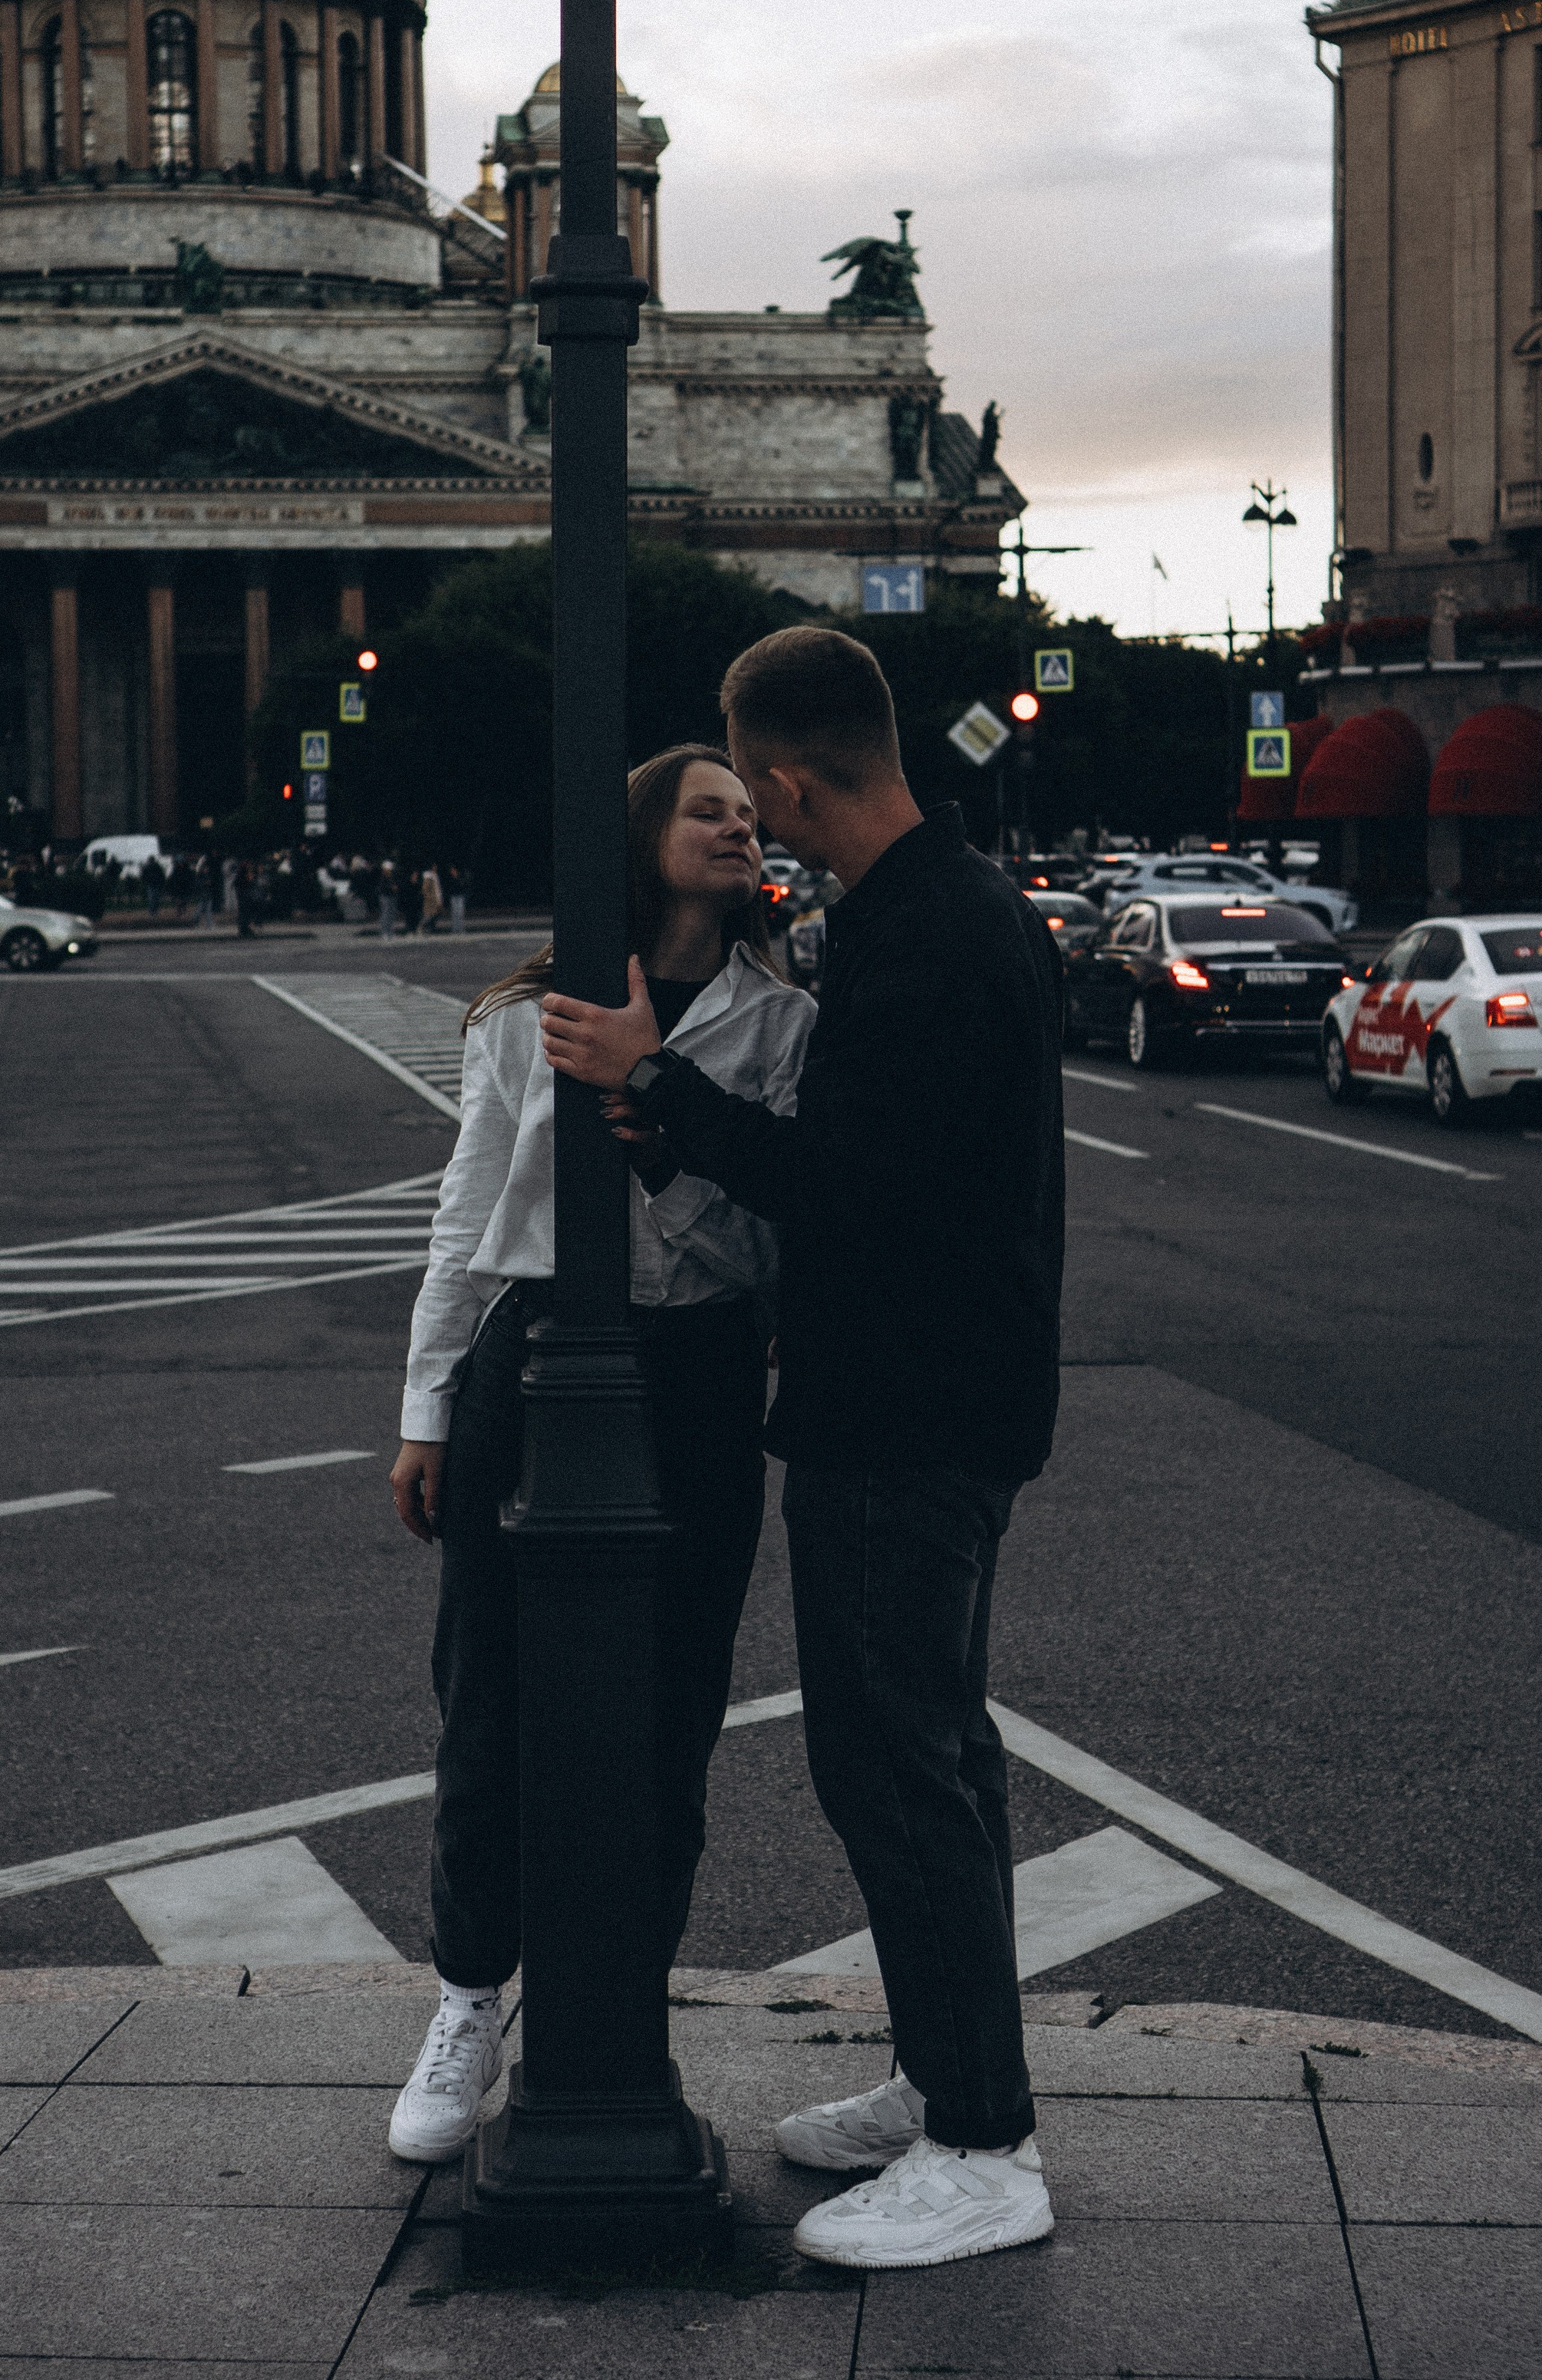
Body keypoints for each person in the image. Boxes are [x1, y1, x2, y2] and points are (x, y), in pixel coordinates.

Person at [542, 628, 1065, 2274]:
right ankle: (943, 2080)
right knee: (925, 1757)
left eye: (747, 785)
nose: (751, 817)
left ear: (779, 777)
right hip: (934, 1397)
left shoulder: (916, 942)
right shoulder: (941, 906)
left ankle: (983, 2148)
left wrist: (657, 1086)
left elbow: (850, 1191)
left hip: (899, 1413)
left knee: (894, 1764)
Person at [384, 745, 813, 2168]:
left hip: (691, 1374)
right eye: (712, 810)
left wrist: (651, 1117)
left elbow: (758, 1249)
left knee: (670, 1709)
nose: (741, 829)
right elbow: (466, 1218)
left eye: (752, 816)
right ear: (644, 834)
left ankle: (626, 2000)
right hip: (529, 1355)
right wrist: (427, 1409)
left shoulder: (781, 1024)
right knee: (488, 1695)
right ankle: (464, 1999)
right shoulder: (526, 1012)